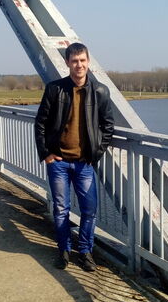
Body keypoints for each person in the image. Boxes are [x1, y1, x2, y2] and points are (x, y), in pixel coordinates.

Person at [35, 42, 114, 271]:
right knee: (61, 210)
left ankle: (86, 252)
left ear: (88, 62)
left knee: (89, 210)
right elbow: (40, 123)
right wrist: (46, 154)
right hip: (58, 162)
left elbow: (108, 126)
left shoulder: (100, 91)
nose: (79, 65)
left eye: (82, 60)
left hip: (84, 163)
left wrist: (96, 153)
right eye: (74, 61)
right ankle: (64, 250)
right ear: (67, 63)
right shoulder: (55, 89)